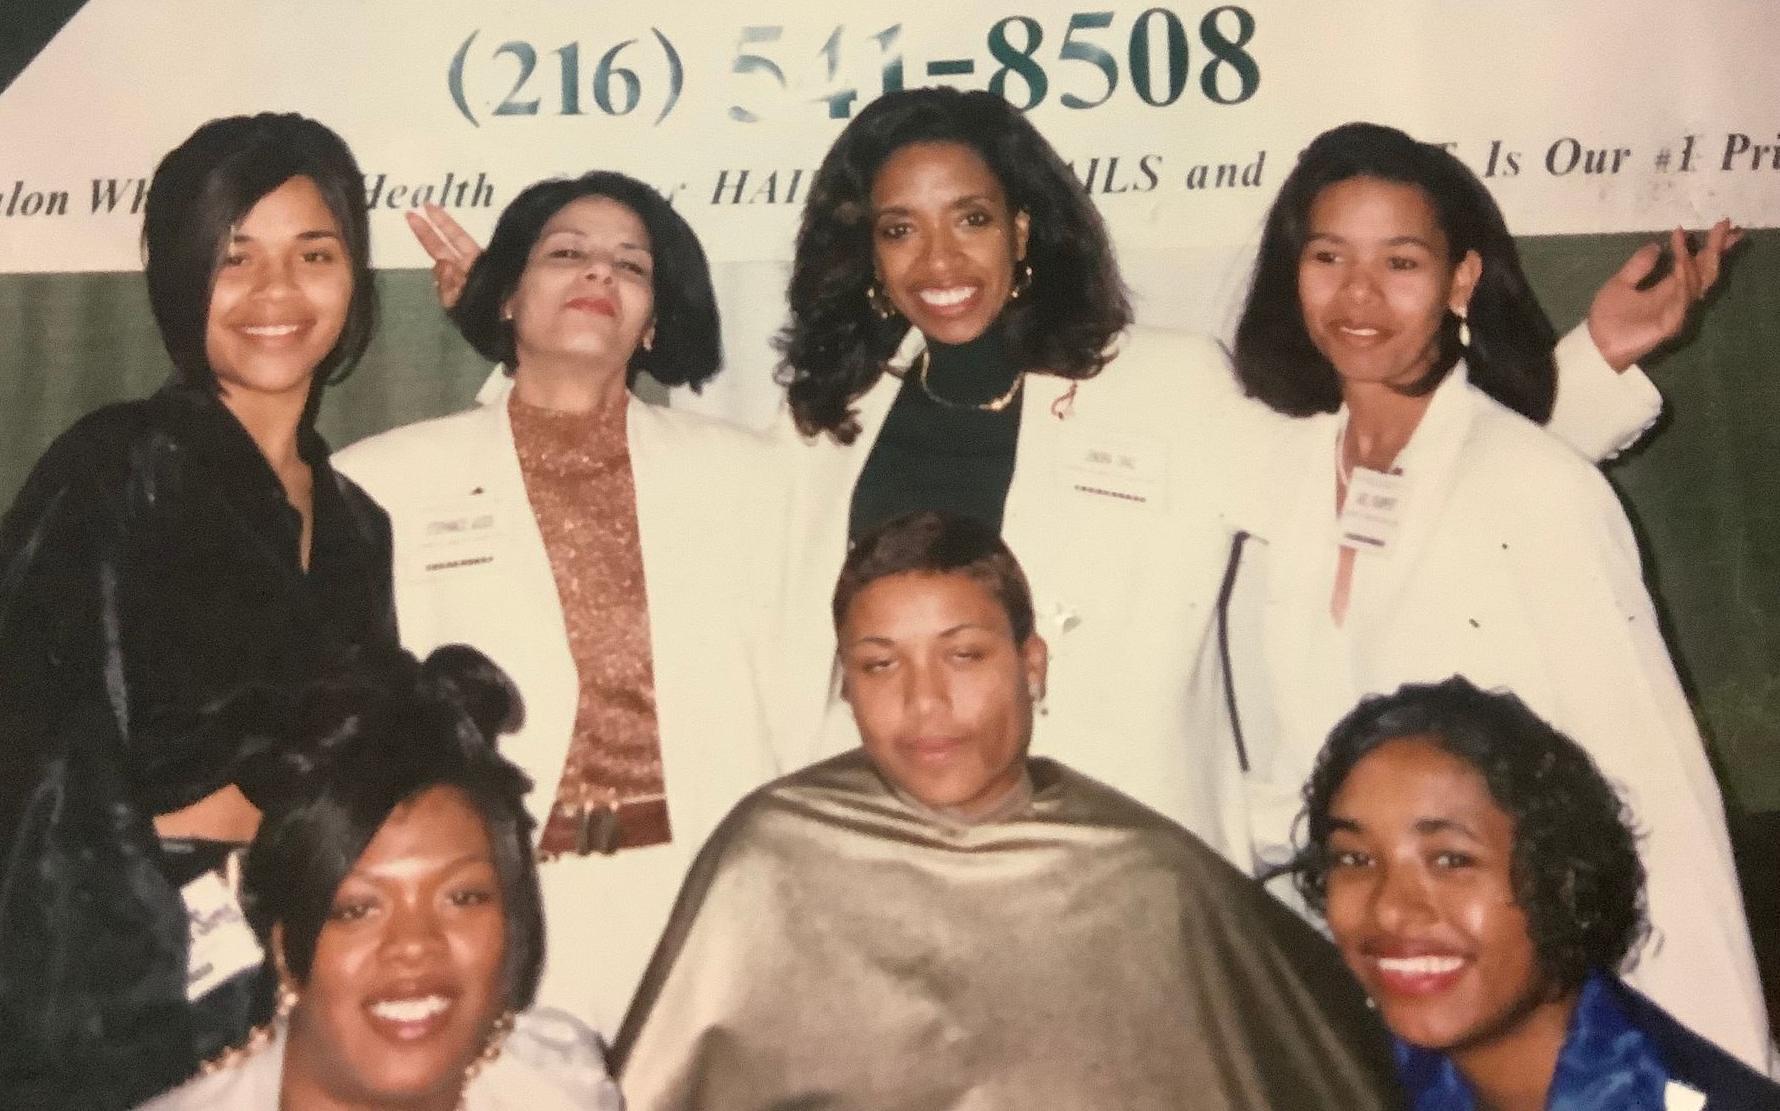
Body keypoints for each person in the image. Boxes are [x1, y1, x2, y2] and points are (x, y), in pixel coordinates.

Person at [410, 90, 1720, 858]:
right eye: (901, 230)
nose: (940, 261)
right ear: (869, 255)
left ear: (1024, 227)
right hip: (892, 860)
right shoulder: (827, 422)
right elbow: (641, 492)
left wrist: (1592, 368)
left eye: (971, 218)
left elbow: (1387, 493)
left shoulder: (1166, 383)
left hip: (1125, 863)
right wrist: (519, 335)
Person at [0, 114, 399, 1110]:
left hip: (288, 973)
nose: (277, 292)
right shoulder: (118, 466)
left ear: (354, 276)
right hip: (90, 982)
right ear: (180, 278)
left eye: (314, 254)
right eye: (235, 257)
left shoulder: (358, 526)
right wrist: (144, 987)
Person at [1231, 122, 1768, 1070]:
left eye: (1401, 261)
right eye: (1328, 257)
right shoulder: (1285, 468)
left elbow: (1656, 804)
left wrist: (1709, 1067)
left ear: (1462, 280)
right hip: (1340, 1000)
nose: (1358, 295)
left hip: (1509, 1007)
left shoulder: (1540, 490)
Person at [614, 512, 1407, 1111]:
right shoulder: (774, 856)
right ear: (845, 686)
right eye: (881, 666)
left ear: (1032, 665)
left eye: (964, 655)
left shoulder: (1150, 880)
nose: (926, 702)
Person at [334, 171, 784, 1038]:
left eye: (631, 265)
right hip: (492, 896)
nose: (599, 273)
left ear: (653, 322)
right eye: (566, 254)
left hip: (706, 894)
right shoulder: (380, 482)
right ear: (507, 298)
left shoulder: (752, 477)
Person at [138, 645, 623, 1111]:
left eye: (463, 897)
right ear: (284, 948)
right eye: (358, 908)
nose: (414, 945)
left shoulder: (560, 1088)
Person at [1291, 678, 1780, 1110]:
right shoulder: (1344, 1074)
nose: (1390, 910)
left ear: (1563, 880)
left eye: (1451, 860)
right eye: (1354, 859)